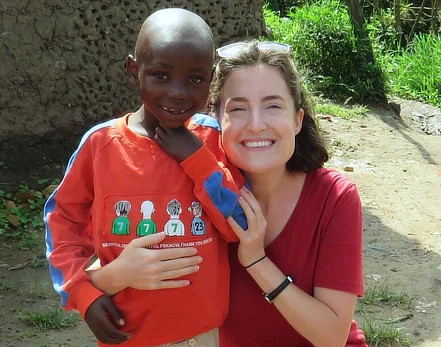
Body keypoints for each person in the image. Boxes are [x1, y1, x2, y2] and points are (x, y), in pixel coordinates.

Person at [88, 39, 367, 346]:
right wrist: (114, 279)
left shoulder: (335, 196)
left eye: (273, 106)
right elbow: (101, 270)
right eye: (238, 108)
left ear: (297, 119)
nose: (256, 125)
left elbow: (332, 336)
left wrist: (256, 260)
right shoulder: (193, 186)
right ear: (216, 120)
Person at [44, 8, 247, 347]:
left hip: (203, 334)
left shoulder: (214, 140)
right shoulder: (100, 145)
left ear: (211, 78)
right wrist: (83, 292)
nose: (178, 92)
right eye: (161, 75)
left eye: (195, 79)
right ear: (133, 70)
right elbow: (62, 220)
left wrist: (196, 159)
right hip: (126, 333)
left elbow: (239, 226)